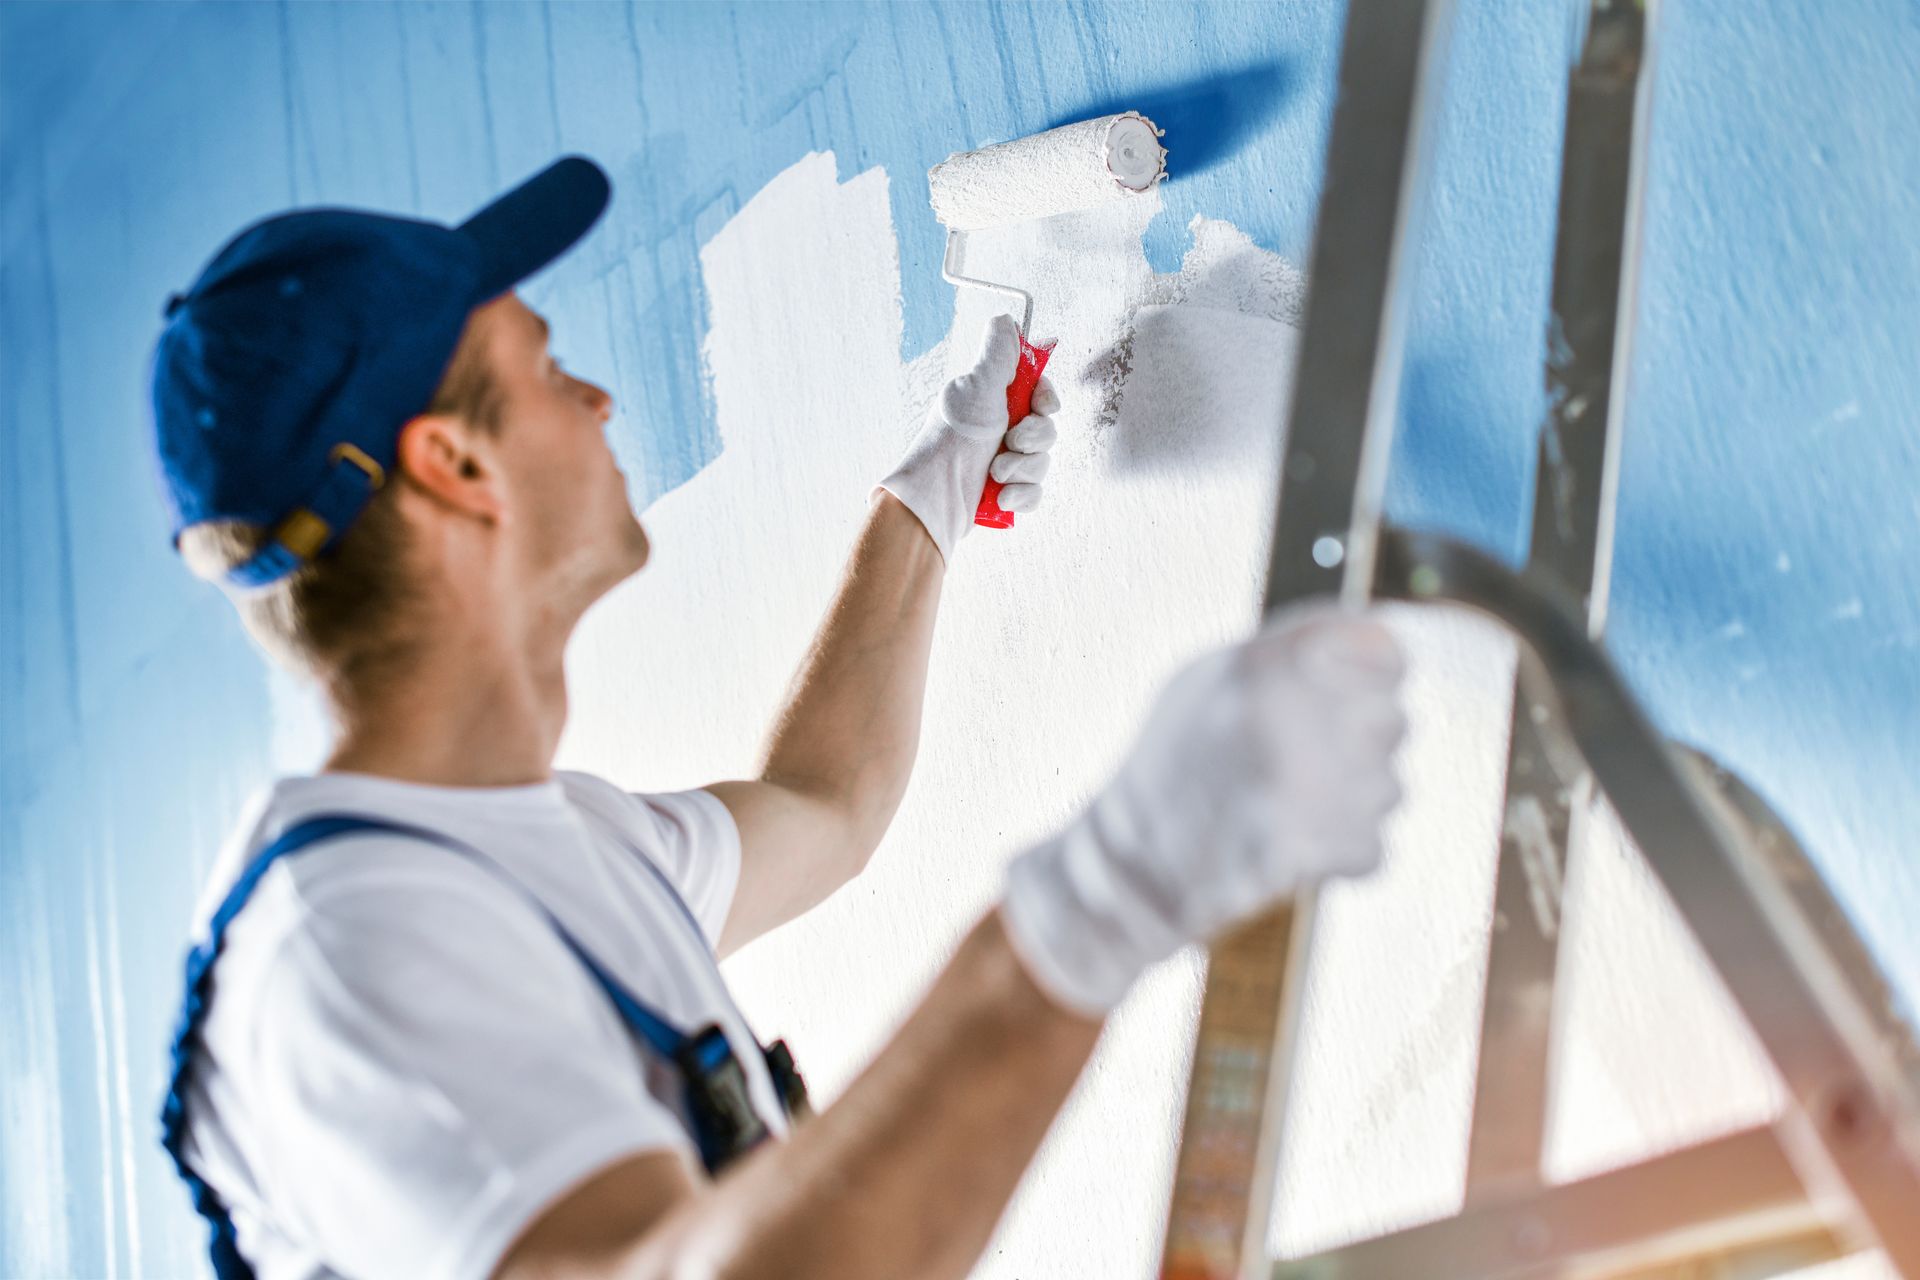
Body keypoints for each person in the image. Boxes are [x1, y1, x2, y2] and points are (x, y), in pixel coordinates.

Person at [152, 155, 1406, 1280]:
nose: (592, 398)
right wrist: (1112, 888)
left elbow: (827, 801)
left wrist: (929, 499)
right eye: (543, 364)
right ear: (454, 466)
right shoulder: (351, 949)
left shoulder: (542, 846)